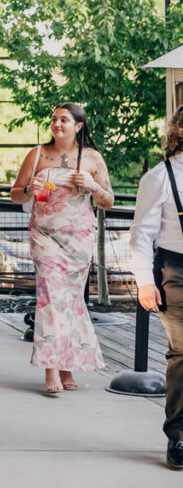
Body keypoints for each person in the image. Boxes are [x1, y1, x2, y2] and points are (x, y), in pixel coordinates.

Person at [10, 102, 113, 393]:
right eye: (54, 119)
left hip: (78, 239)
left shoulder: (92, 158)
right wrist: (31, 189)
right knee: (51, 298)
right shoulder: (38, 154)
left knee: (71, 302)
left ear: (78, 126)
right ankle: (51, 368)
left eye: (64, 120)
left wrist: (93, 186)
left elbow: (108, 201)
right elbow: (16, 194)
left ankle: (69, 366)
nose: (56, 124)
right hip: (44, 236)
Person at [131, 105, 183, 470]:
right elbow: (140, 236)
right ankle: (178, 435)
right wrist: (145, 283)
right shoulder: (160, 176)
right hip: (175, 273)